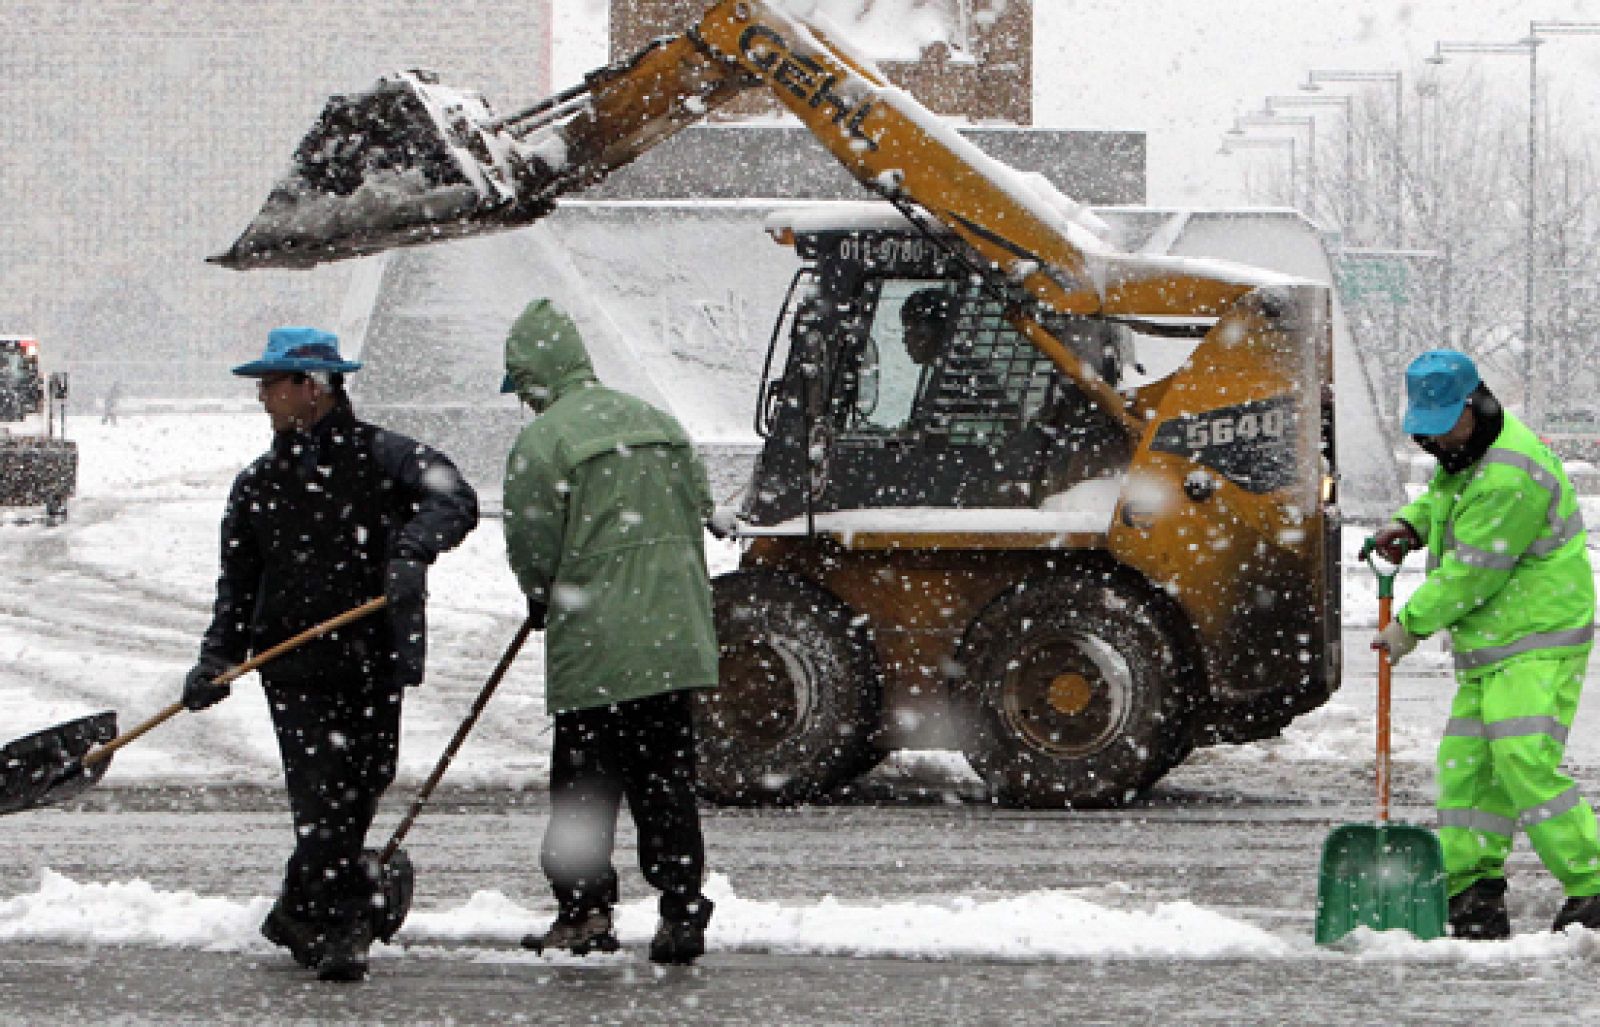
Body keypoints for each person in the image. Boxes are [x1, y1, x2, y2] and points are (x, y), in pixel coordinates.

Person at [183, 326, 478, 981]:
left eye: (270, 383)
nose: (262, 397)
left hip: (372, 660)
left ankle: (298, 907)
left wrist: (410, 549)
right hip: (295, 671)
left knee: (362, 787)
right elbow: (237, 587)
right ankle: (346, 925)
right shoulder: (258, 483)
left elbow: (456, 497)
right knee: (324, 800)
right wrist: (215, 661)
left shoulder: (385, 456)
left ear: (309, 387)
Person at [500, 299, 719, 965]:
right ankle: (681, 909)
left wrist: (542, 597)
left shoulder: (543, 441)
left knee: (584, 790)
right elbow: (700, 506)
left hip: (597, 649)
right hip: (673, 642)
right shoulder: (658, 421)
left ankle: (585, 911)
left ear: (535, 378)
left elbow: (533, 540)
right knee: (666, 782)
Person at [1371, 349, 1600, 940]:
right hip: (1493, 645)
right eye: (1431, 425)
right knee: (1468, 771)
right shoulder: (1467, 456)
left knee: (1523, 756)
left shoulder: (1509, 474)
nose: (1440, 437)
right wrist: (1411, 524)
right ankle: (1472, 892)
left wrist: (1409, 626)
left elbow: (1474, 570)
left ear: (1478, 404)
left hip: (1538, 638)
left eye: (1449, 421)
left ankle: (1593, 886)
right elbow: (1446, 503)